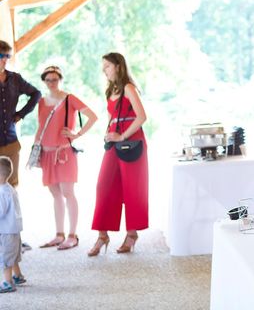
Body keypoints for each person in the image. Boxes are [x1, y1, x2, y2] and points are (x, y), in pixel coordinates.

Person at [88, 53, 148, 257]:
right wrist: (110, 136)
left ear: (118, 66)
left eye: (107, 66)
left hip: (131, 141)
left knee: (131, 188)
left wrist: (122, 136)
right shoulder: (110, 91)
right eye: (103, 66)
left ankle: (132, 234)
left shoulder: (129, 88)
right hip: (114, 141)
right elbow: (112, 117)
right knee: (103, 186)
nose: (104, 70)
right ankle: (102, 235)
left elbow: (142, 117)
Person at [36, 65, 98, 251]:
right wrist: (37, 151)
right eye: (48, 80)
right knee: (55, 194)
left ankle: (72, 235)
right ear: (44, 81)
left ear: (60, 80)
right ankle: (59, 234)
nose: (51, 83)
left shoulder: (69, 99)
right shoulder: (41, 101)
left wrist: (76, 134)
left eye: (55, 79)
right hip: (46, 153)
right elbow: (41, 127)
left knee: (67, 192)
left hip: (64, 153)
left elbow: (93, 117)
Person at [0, 40, 41, 187]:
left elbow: (36, 94)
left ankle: (12, 211)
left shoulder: (15, 79)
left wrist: (20, 114)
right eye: (1, 55)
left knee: (11, 185)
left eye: (7, 56)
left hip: (11, 141)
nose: (4, 59)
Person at [0, 156, 26, 293]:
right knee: (13, 255)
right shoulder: (10, 188)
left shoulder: (2, 192)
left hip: (6, 231)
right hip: (14, 229)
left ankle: (7, 282)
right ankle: (17, 276)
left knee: (5, 257)